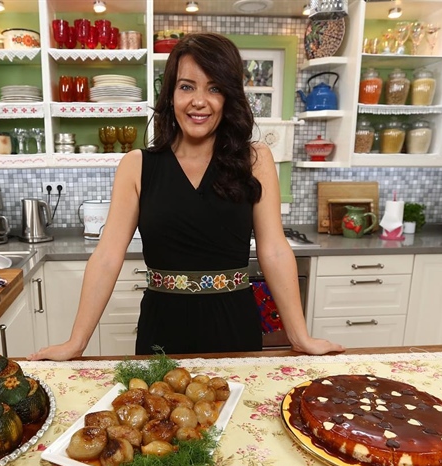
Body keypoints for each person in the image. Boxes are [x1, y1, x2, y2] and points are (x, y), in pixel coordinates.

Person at [28, 32, 344, 361]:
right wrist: (76, 342)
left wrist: (299, 336)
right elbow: (107, 256)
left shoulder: (255, 160)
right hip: (161, 332)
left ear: (229, 97)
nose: (199, 101)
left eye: (214, 88)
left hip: (234, 328)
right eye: (187, 87)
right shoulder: (136, 166)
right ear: (170, 94)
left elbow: (275, 250)